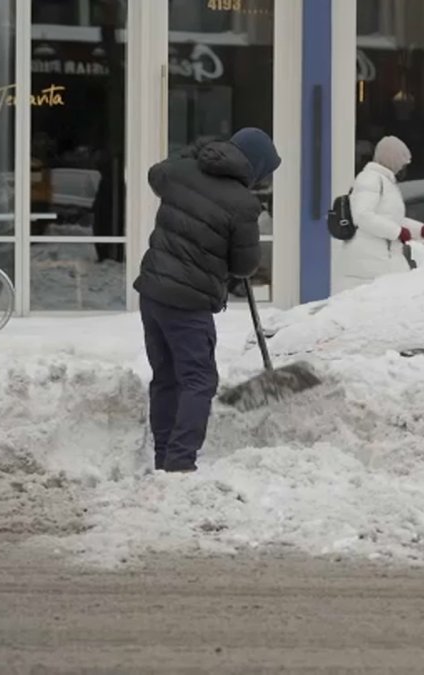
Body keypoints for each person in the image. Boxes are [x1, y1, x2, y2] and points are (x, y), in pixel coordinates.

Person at [133, 127, 281, 473]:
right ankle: (180, 462)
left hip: (153, 292)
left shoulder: (184, 171)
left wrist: (193, 154)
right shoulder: (243, 204)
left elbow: (157, 174)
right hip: (189, 302)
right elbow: (245, 266)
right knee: (199, 381)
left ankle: (163, 458)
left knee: (166, 377)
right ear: (255, 167)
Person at [335, 136, 424, 292]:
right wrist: (397, 232)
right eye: (401, 163)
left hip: (381, 260)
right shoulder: (370, 179)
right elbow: (362, 215)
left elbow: (389, 218)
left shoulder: (385, 182)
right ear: (392, 160)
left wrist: (420, 230)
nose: (402, 168)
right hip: (366, 266)